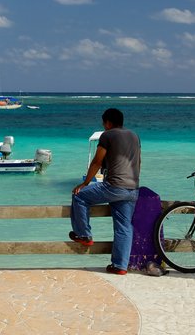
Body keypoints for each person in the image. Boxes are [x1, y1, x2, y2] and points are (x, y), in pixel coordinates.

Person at [70, 108, 141, 275]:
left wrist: (85, 183)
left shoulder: (107, 135)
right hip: (132, 188)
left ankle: (83, 234)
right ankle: (120, 266)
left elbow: (97, 161)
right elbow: (139, 161)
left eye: (104, 123)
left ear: (108, 122)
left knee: (79, 196)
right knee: (124, 227)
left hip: (114, 186)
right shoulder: (134, 136)